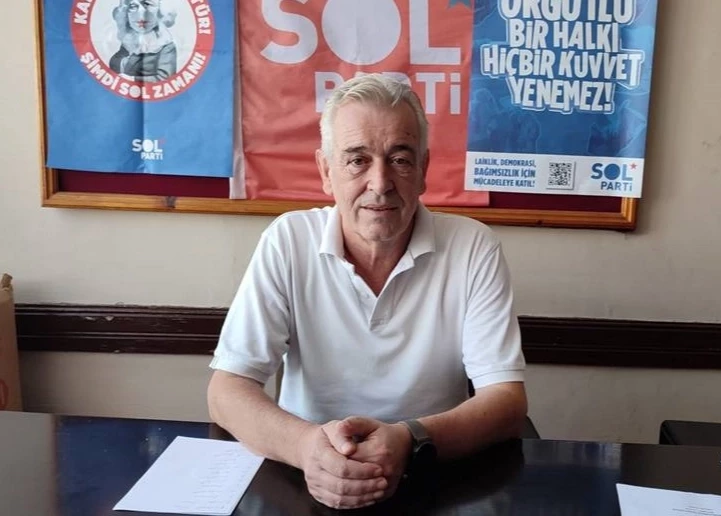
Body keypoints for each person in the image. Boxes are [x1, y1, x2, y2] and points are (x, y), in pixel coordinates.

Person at [207, 74, 528, 510]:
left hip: (433, 474)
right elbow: (226, 391)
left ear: (423, 170)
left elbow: (506, 402)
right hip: (305, 475)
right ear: (326, 171)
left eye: (400, 159)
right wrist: (307, 447)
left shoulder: (473, 247)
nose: (380, 183)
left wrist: (410, 438)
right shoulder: (288, 240)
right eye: (357, 160)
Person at [109, 0, 177, 82]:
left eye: (147, 4)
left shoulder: (166, 45)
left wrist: (132, 79)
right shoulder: (129, 39)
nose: (140, 13)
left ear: (160, 12)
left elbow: (165, 78)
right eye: (133, 6)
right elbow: (114, 64)